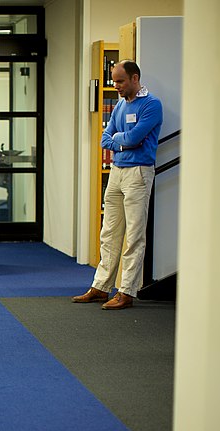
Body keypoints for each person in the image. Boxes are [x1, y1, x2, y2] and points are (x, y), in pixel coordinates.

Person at [73, 60, 163, 310]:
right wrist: (122, 142)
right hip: (117, 171)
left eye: (120, 81)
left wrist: (120, 140)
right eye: (114, 81)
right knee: (109, 233)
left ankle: (126, 292)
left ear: (135, 79)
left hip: (139, 172)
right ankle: (101, 287)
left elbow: (135, 138)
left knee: (134, 235)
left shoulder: (152, 104)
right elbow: (105, 138)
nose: (116, 86)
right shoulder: (120, 105)